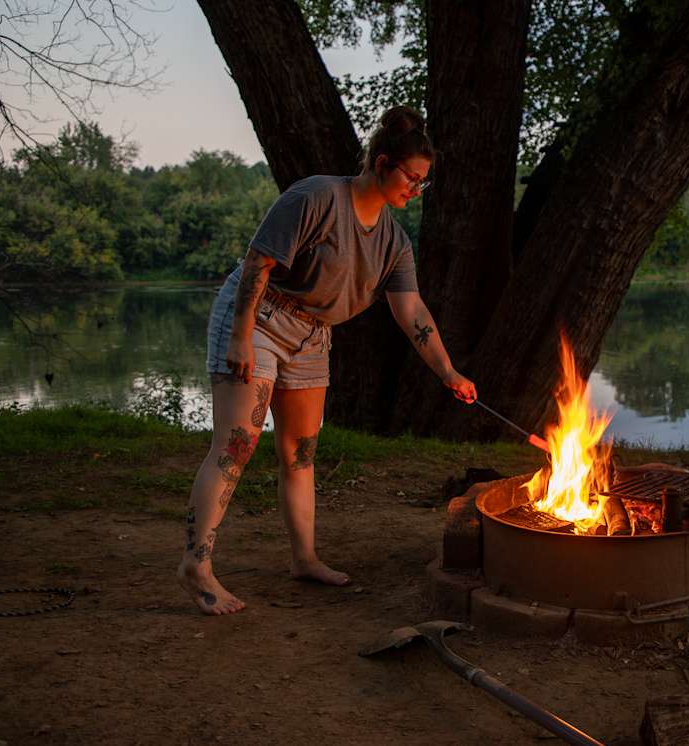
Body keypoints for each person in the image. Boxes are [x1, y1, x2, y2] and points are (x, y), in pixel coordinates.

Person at [177, 106, 477, 615]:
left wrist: (447, 371)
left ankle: (305, 559)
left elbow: (411, 310)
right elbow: (259, 261)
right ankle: (196, 565)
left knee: (300, 452)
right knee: (237, 443)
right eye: (412, 178)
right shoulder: (317, 196)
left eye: (423, 183)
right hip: (260, 317)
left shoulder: (394, 242)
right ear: (383, 163)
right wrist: (241, 339)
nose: (416, 190)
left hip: (313, 334)